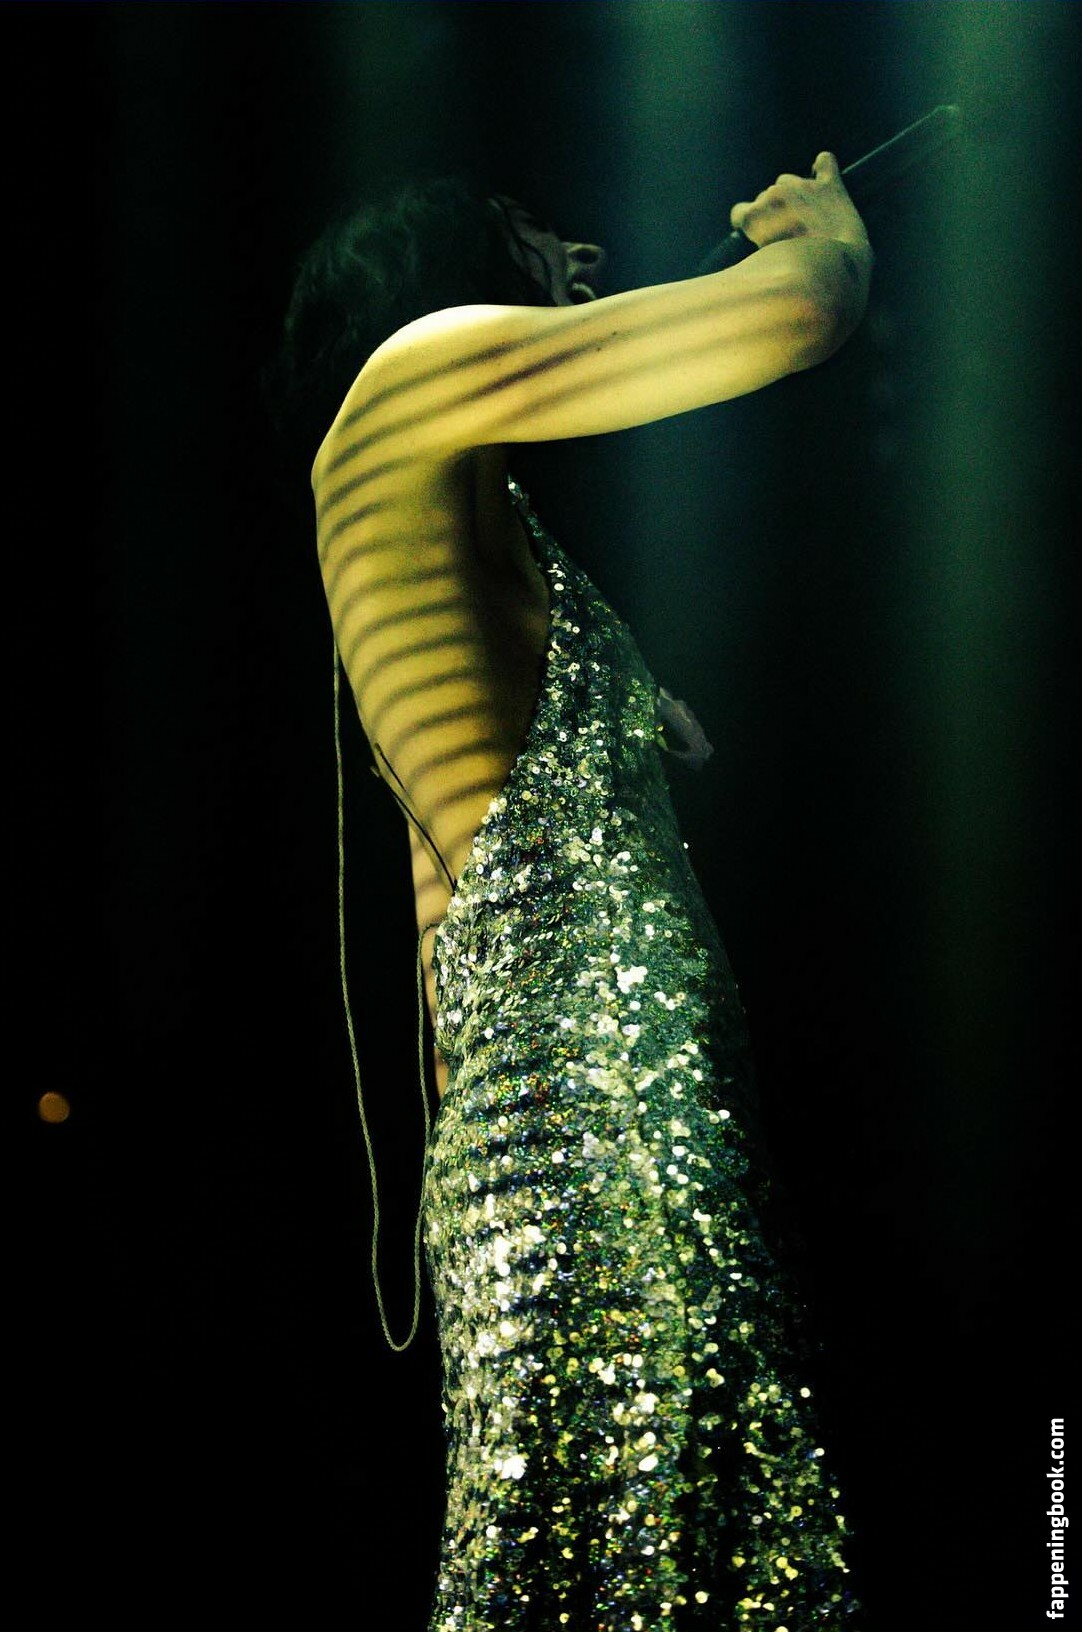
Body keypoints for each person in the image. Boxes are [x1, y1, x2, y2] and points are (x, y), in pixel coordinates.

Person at [266, 154, 871, 1630]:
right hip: (597, 1122)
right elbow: (795, 316)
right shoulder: (416, 369)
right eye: (532, 232)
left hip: (571, 1128)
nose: (581, 252)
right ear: (443, 267)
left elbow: (457, 914)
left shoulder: (448, 515)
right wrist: (827, 243)